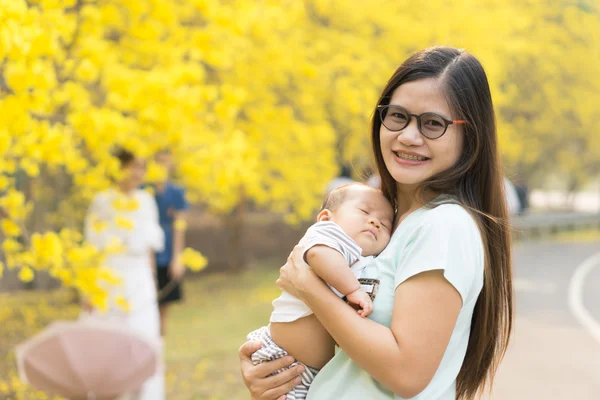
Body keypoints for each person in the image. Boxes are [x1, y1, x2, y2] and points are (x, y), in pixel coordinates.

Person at [239, 46, 513, 400]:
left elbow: (406, 371)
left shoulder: (444, 226)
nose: (409, 136)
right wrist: (270, 363)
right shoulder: (385, 222)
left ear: (470, 136)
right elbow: (345, 351)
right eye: (398, 116)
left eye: (433, 123)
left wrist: (310, 288)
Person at [246, 183, 394, 399]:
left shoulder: (364, 259)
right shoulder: (329, 237)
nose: (375, 222)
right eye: (364, 211)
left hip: (312, 372)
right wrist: (353, 290)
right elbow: (319, 257)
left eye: (386, 224)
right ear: (326, 218)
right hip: (285, 360)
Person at [84, 148, 165, 400]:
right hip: (109, 277)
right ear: (119, 167)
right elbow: (91, 249)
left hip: (139, 278)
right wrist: (88, 290)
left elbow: (150, 248)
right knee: (108, 341)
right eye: (134, 166)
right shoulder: (101, 200)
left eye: (142, 167)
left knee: (143, 338)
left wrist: (153, 283)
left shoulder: (146, 201)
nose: (138, 173)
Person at [152, 149, 189, 336]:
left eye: (166, 162)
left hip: (167, 253)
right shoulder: (145, 191)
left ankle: (159, 344)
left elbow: (179, 226)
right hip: (148, 252)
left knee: (164, 305)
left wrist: (177, 257)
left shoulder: (176, 192)